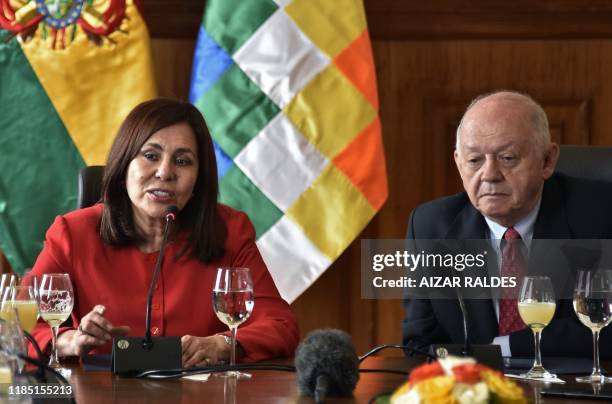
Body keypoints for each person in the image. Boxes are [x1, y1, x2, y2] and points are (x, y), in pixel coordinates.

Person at [27, 98, 299, 367]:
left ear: (198, 180)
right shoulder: (71, 234)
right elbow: (15, 326)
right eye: (150, 156)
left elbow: (280, 325)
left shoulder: (230, 230)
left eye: (182, 161)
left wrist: (222, 344)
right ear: (124, 167)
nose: (165, 172)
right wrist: (70, 341)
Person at [403, 90, 612, 358]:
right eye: (474, 160)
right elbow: (418, 346)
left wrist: (506, 347)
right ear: (458, 163)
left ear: (547, 161)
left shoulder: (600, 214)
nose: (489, 175)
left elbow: (604, 329)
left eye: (508, 158)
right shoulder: (429, 227)